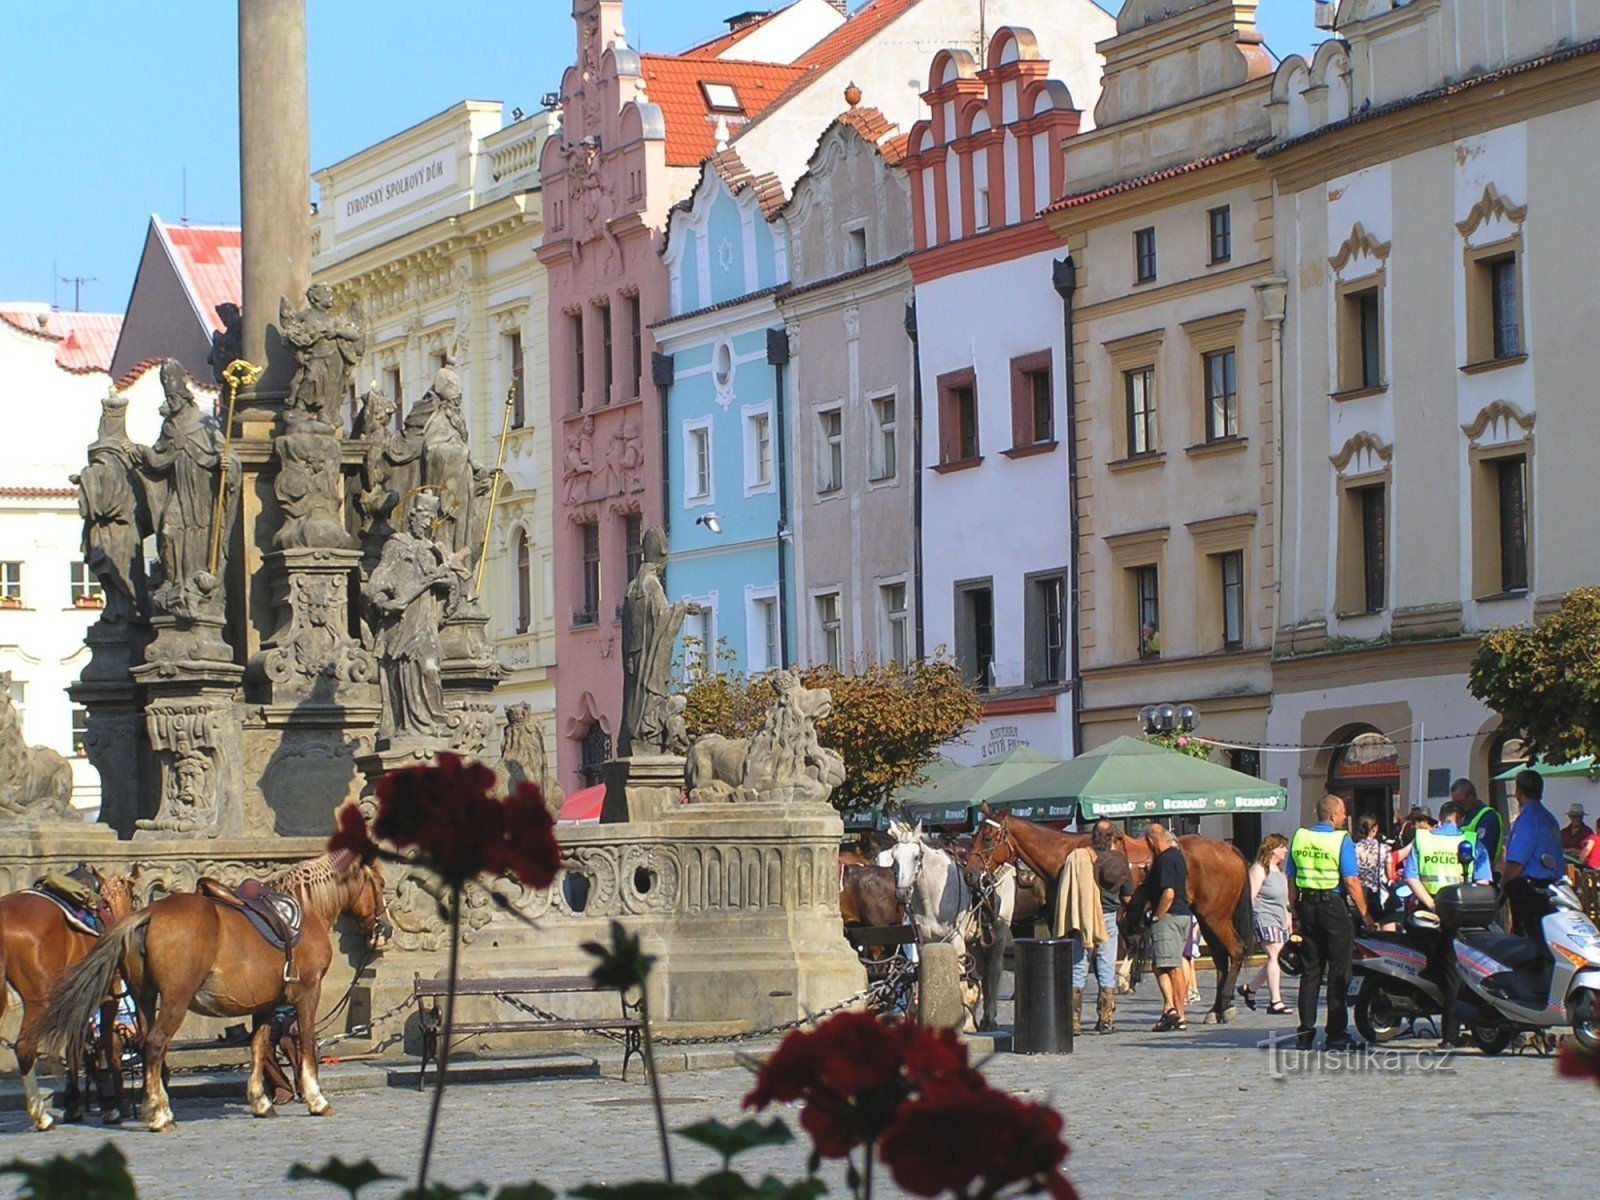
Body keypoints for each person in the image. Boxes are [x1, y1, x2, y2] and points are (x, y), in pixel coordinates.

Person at [1286, 794, 1375, 1050]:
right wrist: (1365, 914)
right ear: (1334, 815)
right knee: (1338, 971)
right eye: (1344, 812)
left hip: (1306, 906)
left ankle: (1305, 1032)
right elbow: (1351, 882)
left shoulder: (1300, 836)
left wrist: (1294, 913)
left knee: (1311, 970)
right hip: (1332, 908)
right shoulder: (1340, 839)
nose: (1346, 817)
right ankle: (1336, 1033)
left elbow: (1291, 877)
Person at [1403, 798, 1492, 1047]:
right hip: (1462, 916)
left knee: (1432, 968)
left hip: (1430, 914)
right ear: (1461, 819)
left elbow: (1410, 877)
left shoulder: (1423, 839)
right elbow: (1483, 883)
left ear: (1440, 819)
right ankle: (1451, 1035)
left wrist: (1431, 904)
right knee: (1456, 974)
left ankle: (1426, 1012)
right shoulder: (1472, 841)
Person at [1079, 819, 1132, 1034]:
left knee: (1079, 963)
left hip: (1084, 914)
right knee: (1107, 964)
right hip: (1109, 915)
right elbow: (1128, 896)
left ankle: (1074, 1019)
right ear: (1112, 837)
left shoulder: (1084, 858)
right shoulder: (1120, 859)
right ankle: (1106, 1018)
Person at [1502, 768, 1564, 938]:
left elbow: (1516, 862)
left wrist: (1502, 886)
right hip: (1551, 888)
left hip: (1529, 890)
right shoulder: (1549, 818)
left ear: (1518, 791)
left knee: (1529, 940)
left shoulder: (1528, 820)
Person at [1143, 821, 1191, 1031]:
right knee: (1163, 964)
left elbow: (1168, 893)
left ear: (1150, 840)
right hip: (1183, 915)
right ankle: (1171, 1008)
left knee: (1170, 966)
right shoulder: (1177, 855)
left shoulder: (1164, 860)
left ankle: (1177, 1013)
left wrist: (1156, 916)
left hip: (1169, 916)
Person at [1238, 833, 1292, 1014]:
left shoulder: (1279, 871)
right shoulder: (1259, 869)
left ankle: (1250, 988)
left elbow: (1284, 900)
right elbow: (1250, 898)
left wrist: (1288, 918)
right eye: (1282, 847)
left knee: (1276, 959)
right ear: (1273, 849)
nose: (1285, 850)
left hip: (1279, 919)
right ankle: (1275, 1001)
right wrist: (1251, 923)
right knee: (1275, 955)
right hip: (1264, 917)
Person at [1454, 779, 1504, 871]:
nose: (1457, 806)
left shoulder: (1487, 816)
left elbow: (1483, 852)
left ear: (1472, 796)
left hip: (1480, 873)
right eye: (1455, 803)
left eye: (1460, 802)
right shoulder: (1464, 817)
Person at [1353, 814, 1385, 922]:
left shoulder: (1353, 847)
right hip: (1378, 894)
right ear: (1374, 828)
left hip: (1359, 895)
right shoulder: (1382, 847)